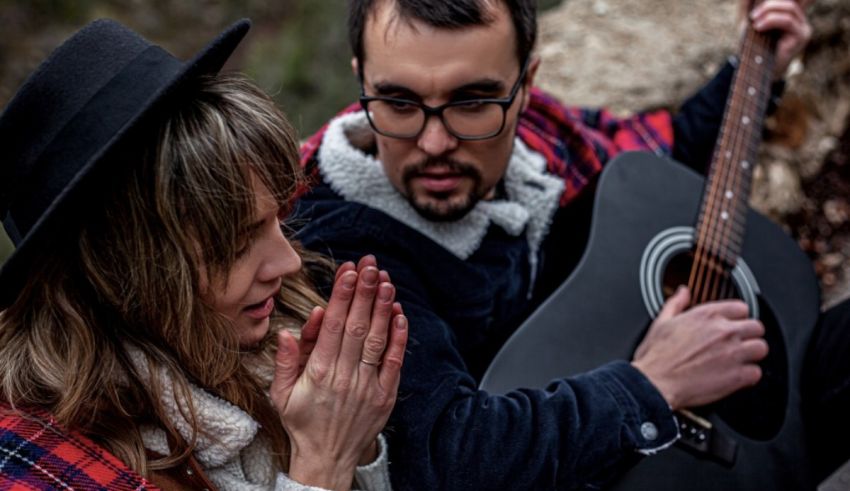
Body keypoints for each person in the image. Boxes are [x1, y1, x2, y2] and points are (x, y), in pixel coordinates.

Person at [292, 0, 822, 489]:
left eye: (472, 102)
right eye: (398, 102)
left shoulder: (537, 144)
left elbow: (651, 170)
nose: (434, 143)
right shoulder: (345, 248)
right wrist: (652, 384)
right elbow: (452, 456)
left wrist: (754, 71)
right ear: (362, 80)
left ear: (526, 85)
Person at [0, 19, 408, 491]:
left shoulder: (281, 335)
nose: (289, 263)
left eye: (279, 218)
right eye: (235, 245)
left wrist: (354, 437)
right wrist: (323, 461)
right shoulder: (54, 465)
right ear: (120, 271)